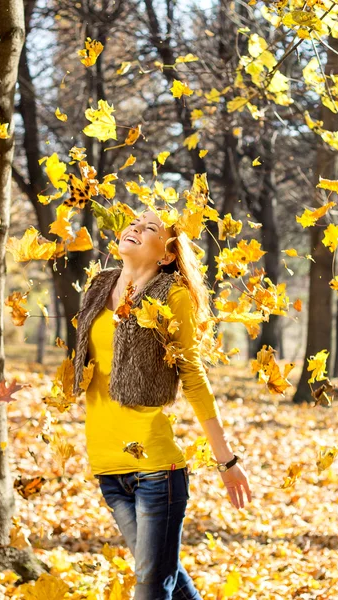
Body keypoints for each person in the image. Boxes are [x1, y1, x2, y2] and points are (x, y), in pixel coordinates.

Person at [73, 208, 252, 600]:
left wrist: (227, 462)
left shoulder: (172, 297)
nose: (136, 227)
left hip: (156, 470)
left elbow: (193, 378)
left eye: (149, 228)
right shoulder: (99, 287)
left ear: (166, 255)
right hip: (107, 467)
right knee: (165, 576)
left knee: (150, 587)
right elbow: (82, 368)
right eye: (134, 223)